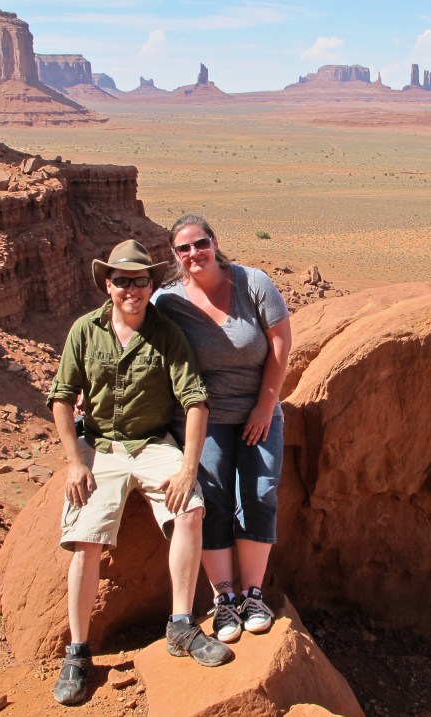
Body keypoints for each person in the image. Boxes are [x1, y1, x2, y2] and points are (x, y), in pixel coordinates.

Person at [47, 239, 232, 706]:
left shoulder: (167, 333)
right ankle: (78, 652)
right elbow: (62, 397)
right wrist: (74, 461)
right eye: (122, 280)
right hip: (102, 447)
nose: (132, 289)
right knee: (86, 538)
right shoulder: (84, 331)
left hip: (152, 444)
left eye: (140, 280)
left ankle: (181, 625)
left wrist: (188, 467)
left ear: (151, 284)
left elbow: (195, 400)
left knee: (190, 510)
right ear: (107, 284)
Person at [152, 215, 292, 644]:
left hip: (257, 411)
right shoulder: (167, 301)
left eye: (199, 244)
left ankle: (253, 593)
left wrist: (265, 407)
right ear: (175, 256)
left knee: (261, 491)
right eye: (183, 249)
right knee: (210, 496)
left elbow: (281, 342)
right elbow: (130, 333)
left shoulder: (253, 283)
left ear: (214, 242)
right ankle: (224, 598)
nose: (193, 254)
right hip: (203, 418)